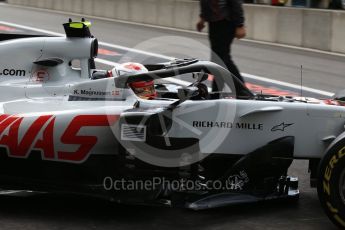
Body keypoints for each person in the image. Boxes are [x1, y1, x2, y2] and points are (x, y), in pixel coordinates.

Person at [196, 0, 246, 93]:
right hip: (214, 22)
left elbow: (235, 2)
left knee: (221, 58)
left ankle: (242, 90)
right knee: (218, 59)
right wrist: (202, 18)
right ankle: (217, 91)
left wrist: (240, 24)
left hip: (225, 21)